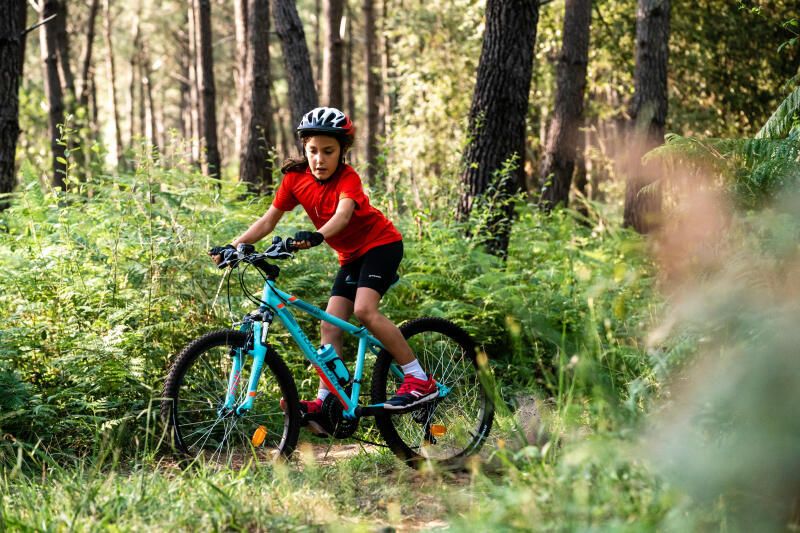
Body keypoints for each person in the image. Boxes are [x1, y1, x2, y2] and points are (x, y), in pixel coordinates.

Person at [210, 106, 436, 425]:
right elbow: (268, 221)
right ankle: (327, 398)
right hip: (351, 258)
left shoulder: (348, 178)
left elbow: (343, 216)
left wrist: (316, 236)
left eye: (328, 151)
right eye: (313, 150)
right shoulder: (294, 180)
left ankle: (418, 379)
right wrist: (234, 246)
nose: (319, 159)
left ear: (342, 151)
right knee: (329, 325)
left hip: (382, 245)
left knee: (365, 311)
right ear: (305, 148)